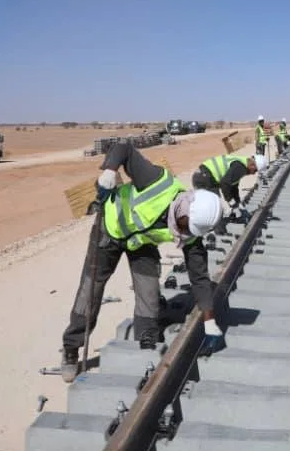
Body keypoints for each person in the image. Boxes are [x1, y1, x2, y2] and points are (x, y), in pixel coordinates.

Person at [60, 143, 225, 383]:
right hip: (110, 230)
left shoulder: (190, 234)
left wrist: (209, 321)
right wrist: (110, 170)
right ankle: (71, 347)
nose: (182, 232)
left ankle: (145, 344)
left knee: (149, 295)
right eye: (182, 225)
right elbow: (124, 149)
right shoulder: (156, 181)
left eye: (188, 230)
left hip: (140, 244)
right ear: (185, 206)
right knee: (90, 292)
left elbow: (199, 278)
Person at [193, 153, 268, 224]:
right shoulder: (240, 167)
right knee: (215, 207)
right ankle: (216, 229)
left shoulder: (241, 164)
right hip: (204, 178)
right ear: (252, 165)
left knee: (213, 206)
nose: (253, 173)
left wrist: (238, 203)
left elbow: (233, 187)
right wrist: (232, 203)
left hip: (203, 176)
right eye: (255, 170)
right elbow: (225, 184)